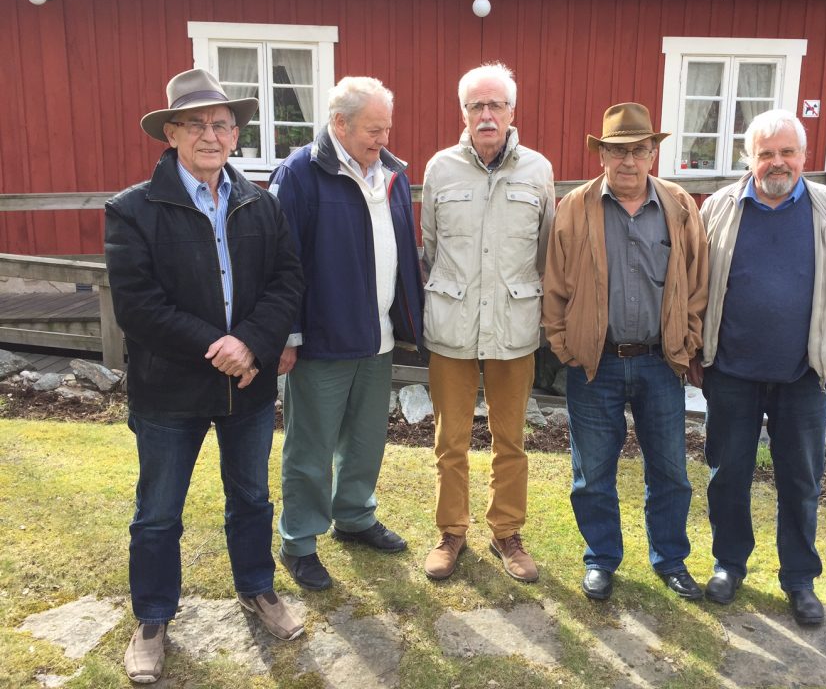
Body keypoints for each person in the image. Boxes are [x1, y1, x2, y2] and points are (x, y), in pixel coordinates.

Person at [105, 68, 305, 684]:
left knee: (251, 497)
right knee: (159, 511)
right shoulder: (133, 209)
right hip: (170, 390)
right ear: (171, 133)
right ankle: (153, 618)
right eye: (197, 124)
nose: (212, 135)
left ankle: (258, 590)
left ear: (236, 133)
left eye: (223, 124)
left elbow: (286, 282)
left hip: (246, 385)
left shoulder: (260, 203)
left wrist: (250, 343)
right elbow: (137, 304)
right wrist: (216, 345)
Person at [689, 108, 826, 626]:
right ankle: (729, 564)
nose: (777, 163)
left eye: (787, 152)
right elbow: (696, 286)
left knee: (801, 480)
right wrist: (696, 349)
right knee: (728, 476)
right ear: (749, 158)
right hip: (730, 372)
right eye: (766, 153)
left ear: (803, 155)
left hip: (802, 376)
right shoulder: (720, 208)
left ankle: (799, 579)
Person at [542, 102, 709, 601]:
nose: (628, 161)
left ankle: (671, 559)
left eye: (638, 150)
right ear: (602, 156)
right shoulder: (575, 207)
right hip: (598, 363)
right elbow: (554, 284)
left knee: (671, 470)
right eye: (617, 151)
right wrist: (563, 344)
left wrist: (689, 339)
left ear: (653, 152)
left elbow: (698, 281)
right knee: (592, 472)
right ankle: (601, 559)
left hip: (661, 362)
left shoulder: (679, 206)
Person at [270, 76, 424, 592]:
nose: (382, 138)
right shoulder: (299, 173)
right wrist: (287, 335)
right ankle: (300, 541)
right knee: (310, 448)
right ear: (339, 123)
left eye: (386, 128)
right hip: (321, 340)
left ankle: (355, 517)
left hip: (377, 336)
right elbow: (280, 261)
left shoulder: (391, 174)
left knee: (365, 441)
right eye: (372, 129)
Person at [420, 62, 555, 582]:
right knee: (449, 440)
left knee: (510, 440)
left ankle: (507, 533)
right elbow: (430, 245)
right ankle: (452, 531)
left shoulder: (538, 171)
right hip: (452, 325)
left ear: (512, 111)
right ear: (464, 113)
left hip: (513, 326)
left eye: (496, 104)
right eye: (476, 105)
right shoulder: (440, 169)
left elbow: (546, 250)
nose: (487, 115)